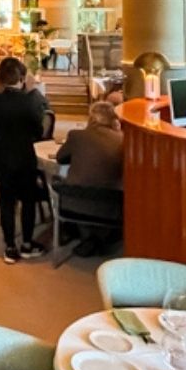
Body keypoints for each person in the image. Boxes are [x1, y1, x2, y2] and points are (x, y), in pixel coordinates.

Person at [0, 57, 48, 264]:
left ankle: (10, 246)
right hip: (24, 156)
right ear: (21, 78)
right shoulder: (30, 101)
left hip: (1, 156)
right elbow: (38, 131)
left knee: (7, 200)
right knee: (28, 200)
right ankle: (27, 244)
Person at [56, 102, 124, 256]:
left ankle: (87, 237)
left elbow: (61, 158)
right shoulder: (123, 141)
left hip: (72, 204)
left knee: (60, 178)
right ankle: (97, 238)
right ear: (114, 120)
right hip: (110, 209)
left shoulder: (76, 135)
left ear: (91, 119)